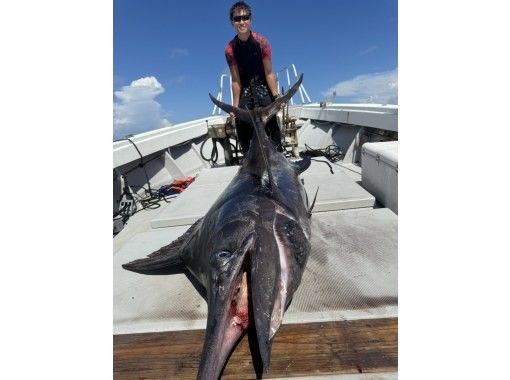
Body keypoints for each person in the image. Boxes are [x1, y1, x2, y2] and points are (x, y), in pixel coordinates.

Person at [225, 1, 283, 154]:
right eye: (237, 19)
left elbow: (269, 73)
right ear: (232, 22)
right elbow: (236, 81)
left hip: (263, 87)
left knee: (271, 128)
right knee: (243, 127)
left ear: (250, 20)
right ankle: (249, 160)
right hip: (244, 90)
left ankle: (277, 156)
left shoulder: (262, 43)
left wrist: (276, 96)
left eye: (245, 18)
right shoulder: (230, 49)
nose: (241, 22)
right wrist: (235, 107)